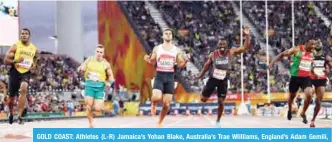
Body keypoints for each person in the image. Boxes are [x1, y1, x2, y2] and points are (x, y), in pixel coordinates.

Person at [195, 26, 251, 127]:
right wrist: (200, 75)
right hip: (212, 79)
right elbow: (206, 66)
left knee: (221, 102)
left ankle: (218, 121)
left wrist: (247, 35)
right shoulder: (213, 54)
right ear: (217, 45)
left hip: (223, 80)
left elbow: (245, 48)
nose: (222, 45)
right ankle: (205, 88)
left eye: (224, 44)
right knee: (203, 99)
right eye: (220, 44)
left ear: (226, 45)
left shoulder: (231, 52)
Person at [144, 29, 190, 127]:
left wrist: (186, 61)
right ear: (163, 36)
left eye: (170, 34)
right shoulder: (157, 48)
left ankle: (160, 121)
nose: (168, 35)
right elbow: (152, 61)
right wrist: (147, 59)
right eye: (166, 34)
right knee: (157, 96)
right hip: (159, 75)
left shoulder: (177, 50)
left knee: (167, 104)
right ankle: (153, 104)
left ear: (172, 36)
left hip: (170, 77)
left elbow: (180, 65)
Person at [269, 39, 316, 124]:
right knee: (291, 97)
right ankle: (290, 110)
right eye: (312, 44)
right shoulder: (297, 49)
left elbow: (310, 66)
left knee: (309, 94)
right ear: (307, 43)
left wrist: (315, 74)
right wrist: (272, 62)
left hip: (306, 78)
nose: (313, 46)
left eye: (314, 45)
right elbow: (283, 54)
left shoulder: (313, 53)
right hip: (295, 77)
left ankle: (303, 112)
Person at [4, 28, 39, 125]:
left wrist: (34, 65)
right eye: (22, 34)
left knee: (24, 89)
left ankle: (19, 116)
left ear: (29, 36)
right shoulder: (15, 46)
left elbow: (36, 58)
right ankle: (11, 113)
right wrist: (15, 61)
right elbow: (6, 60)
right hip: (14, 71)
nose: (24, 35)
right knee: (11, 97)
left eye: (26, 34)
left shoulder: (34, 48)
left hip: (25, 72)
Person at [77, 44, 114, 128]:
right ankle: (91, 123)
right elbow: (81, 67)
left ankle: (97, 106)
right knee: (89, 105)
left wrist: (109, 83)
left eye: (101, 52)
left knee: (97, 109)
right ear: (95, 52)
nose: (99, 53)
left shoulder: (106, 64)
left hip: (100, 88)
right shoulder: (89, 60)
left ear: (103, 53)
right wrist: (81, 69)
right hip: (89, 86)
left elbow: (111, 76)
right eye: (97, 51)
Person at [309, 40, 332, 127]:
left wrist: (327, 70)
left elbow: (330, 67)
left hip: (321, 79)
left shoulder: (325, 56)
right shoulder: (310, 56)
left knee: (318, 102)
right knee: (309, 94)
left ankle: (313, 120)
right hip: (311, 78)